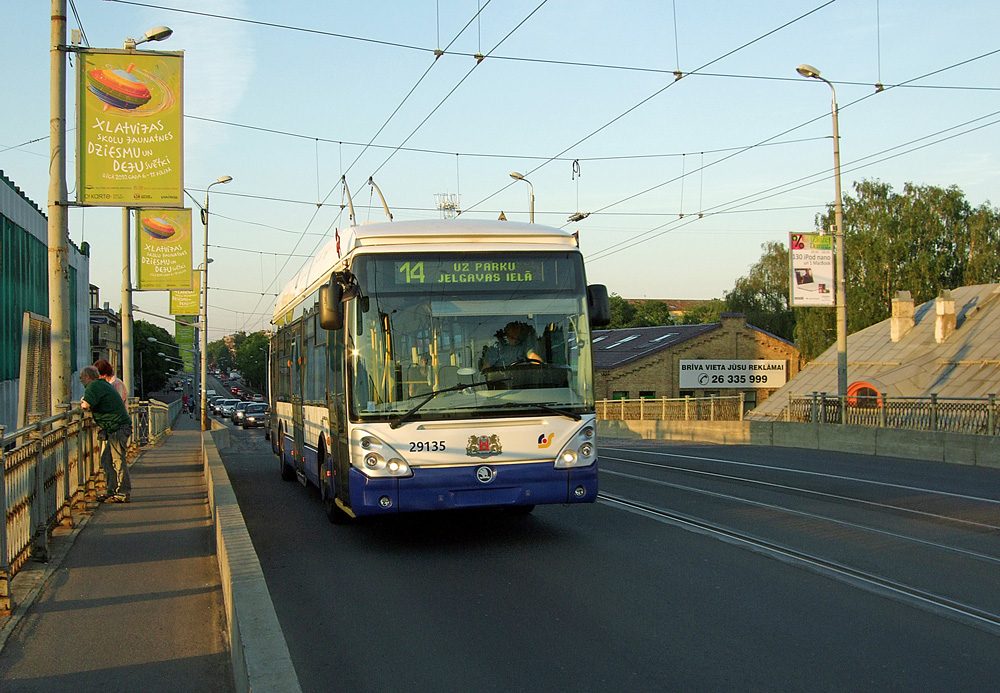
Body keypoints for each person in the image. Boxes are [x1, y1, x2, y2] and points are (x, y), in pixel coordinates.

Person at [80, 365, 132, 503]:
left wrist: (82, 403)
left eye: (81, 378)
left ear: (87, 377)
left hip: (117, 427)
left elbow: (86, 405)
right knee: (107, 458)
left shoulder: (94, 386)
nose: (81, 381)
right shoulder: (102, 384)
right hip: (118, 426)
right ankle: (112, 490)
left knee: (117, 460)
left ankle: (123, 493)